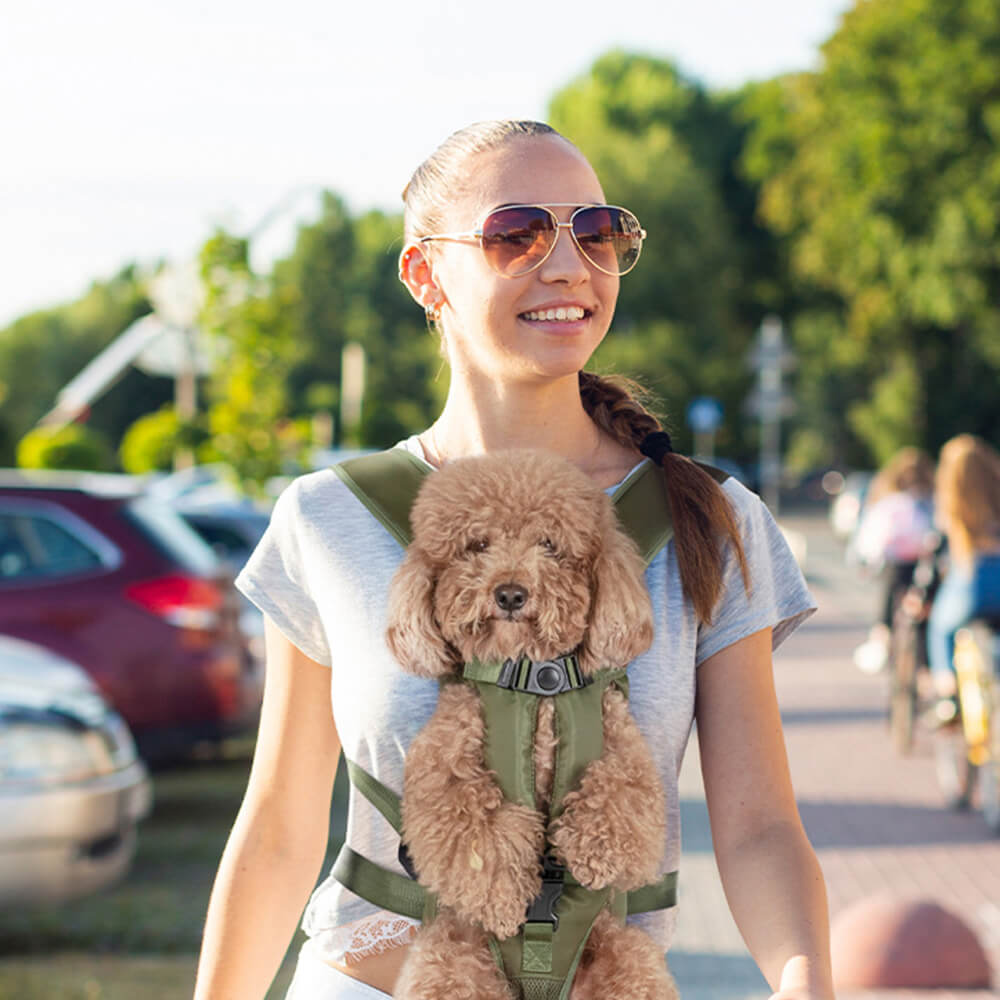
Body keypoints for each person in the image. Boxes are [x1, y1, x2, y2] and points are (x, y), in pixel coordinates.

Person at [193, 120, 833, 1000]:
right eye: (517, 234)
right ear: (426, 274)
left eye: (598, 231)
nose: (569, 265)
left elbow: (760, 827)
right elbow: (278, 828)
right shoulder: (328, 518)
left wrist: (806, 983)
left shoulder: (711, 520)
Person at [926, 434, 1000, 708]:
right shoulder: (995, 492)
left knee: (940, 629)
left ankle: (947, 695)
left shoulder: (953, 499)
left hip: (972, 577)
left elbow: (939, 540)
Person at [850, 448, 936, 674]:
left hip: (895, 564)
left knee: (889, 594)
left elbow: (871, 538)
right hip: (922, 563)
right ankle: (925, 669)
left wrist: (866, 561)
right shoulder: (929, 500)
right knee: (925, 609)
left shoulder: (887, 501)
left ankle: (882, 634)